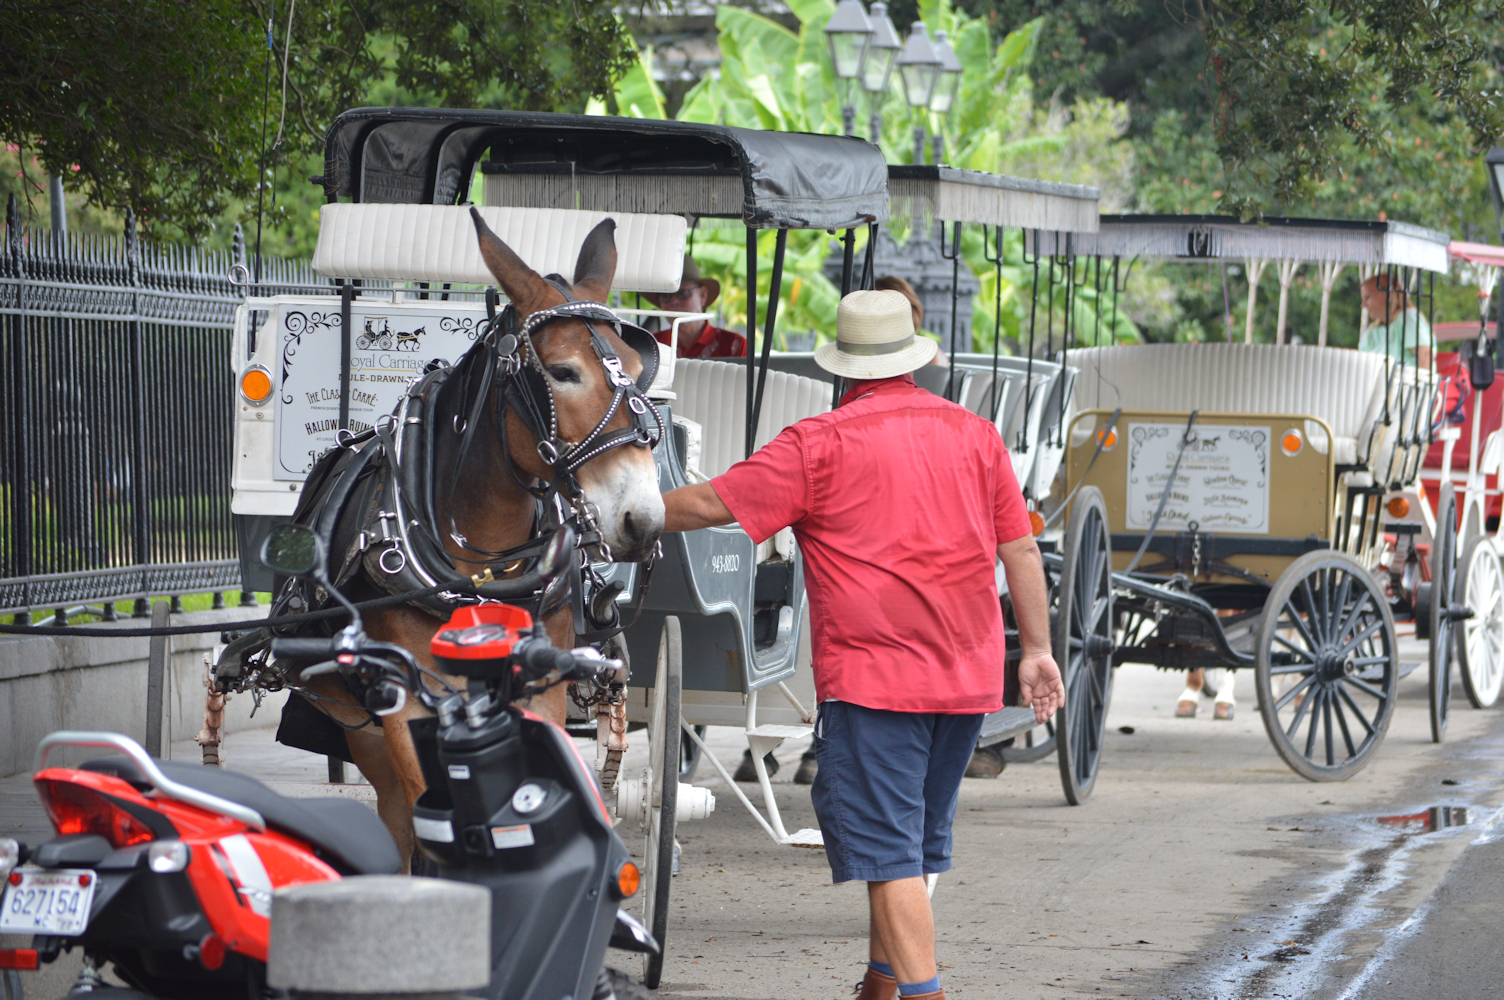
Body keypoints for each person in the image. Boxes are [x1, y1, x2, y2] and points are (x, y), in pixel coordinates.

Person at [659, 289, 1064, 1000]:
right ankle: (879, 985)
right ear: (912, 358)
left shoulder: (817, 444)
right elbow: (1021, 550)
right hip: (964, 682)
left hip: (875, 682)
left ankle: (923, 995)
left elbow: (710, 503)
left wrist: (610, 512)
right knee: (909, 844)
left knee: (889, 854)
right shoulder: (976, 434)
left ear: (841, 367)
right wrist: (1035, 650)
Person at [642, 255, 746, 359]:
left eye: (683, 293)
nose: (674, 302)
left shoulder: (735, 346)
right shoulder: (651, 345)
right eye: (665, 295)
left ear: (702, 295)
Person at [1359, 274, 1434, 369]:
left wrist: (1420, 379)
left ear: (1387, 294)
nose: (1363, 305)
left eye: (1368, 297)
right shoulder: (1370, 333)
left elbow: (1425, 355)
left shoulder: (1407, 318)